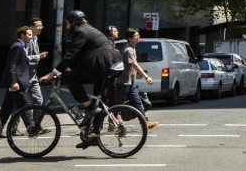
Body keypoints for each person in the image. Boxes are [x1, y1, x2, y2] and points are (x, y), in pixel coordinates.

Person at [38, 10, 122, 149]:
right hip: (112, 64)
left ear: (74, 22)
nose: (67, 27)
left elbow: (71, 55)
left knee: (72, 79)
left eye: (67, 23)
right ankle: (92, 136)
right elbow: (80, 55)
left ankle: (89, 108)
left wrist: (52, 74)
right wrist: (67, 68)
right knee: (96, 102)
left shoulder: (81, 31)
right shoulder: (89, 29)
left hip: (103, 64)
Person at [0, 26, 34, 136]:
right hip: (17, 83)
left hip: (17, 82)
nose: (31, 37)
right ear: (22, 35)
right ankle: (31, 129)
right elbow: (11, 66)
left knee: (6, 109)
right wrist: (13, 82)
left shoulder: (21, 46)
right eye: (29, 35)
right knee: (25, 105)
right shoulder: (17, 46)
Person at [118, 29, 157, 129]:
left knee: (138, 101)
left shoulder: (132, 48)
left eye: (138, 35)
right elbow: (135, 65)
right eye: (136, 36)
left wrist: (138, 76)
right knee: (118, 104)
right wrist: (146, 77)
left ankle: (144, 122)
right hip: (123, 82)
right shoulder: (128, 50)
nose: (138, 38)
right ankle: (111, 123)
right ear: (130, 38)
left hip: (131, 82)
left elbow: (132, 68)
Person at [26, 18, 48, 115]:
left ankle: (36, 126)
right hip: (25, 76)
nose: (40, 28)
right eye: (37, 26)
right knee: (20, 103)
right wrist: (38, 56)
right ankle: (14, 128)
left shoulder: (35, 38)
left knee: (39, 100)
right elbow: (24, 57)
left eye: (41, 26)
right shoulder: (27, 40)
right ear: (31, 27)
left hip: (33, 76)